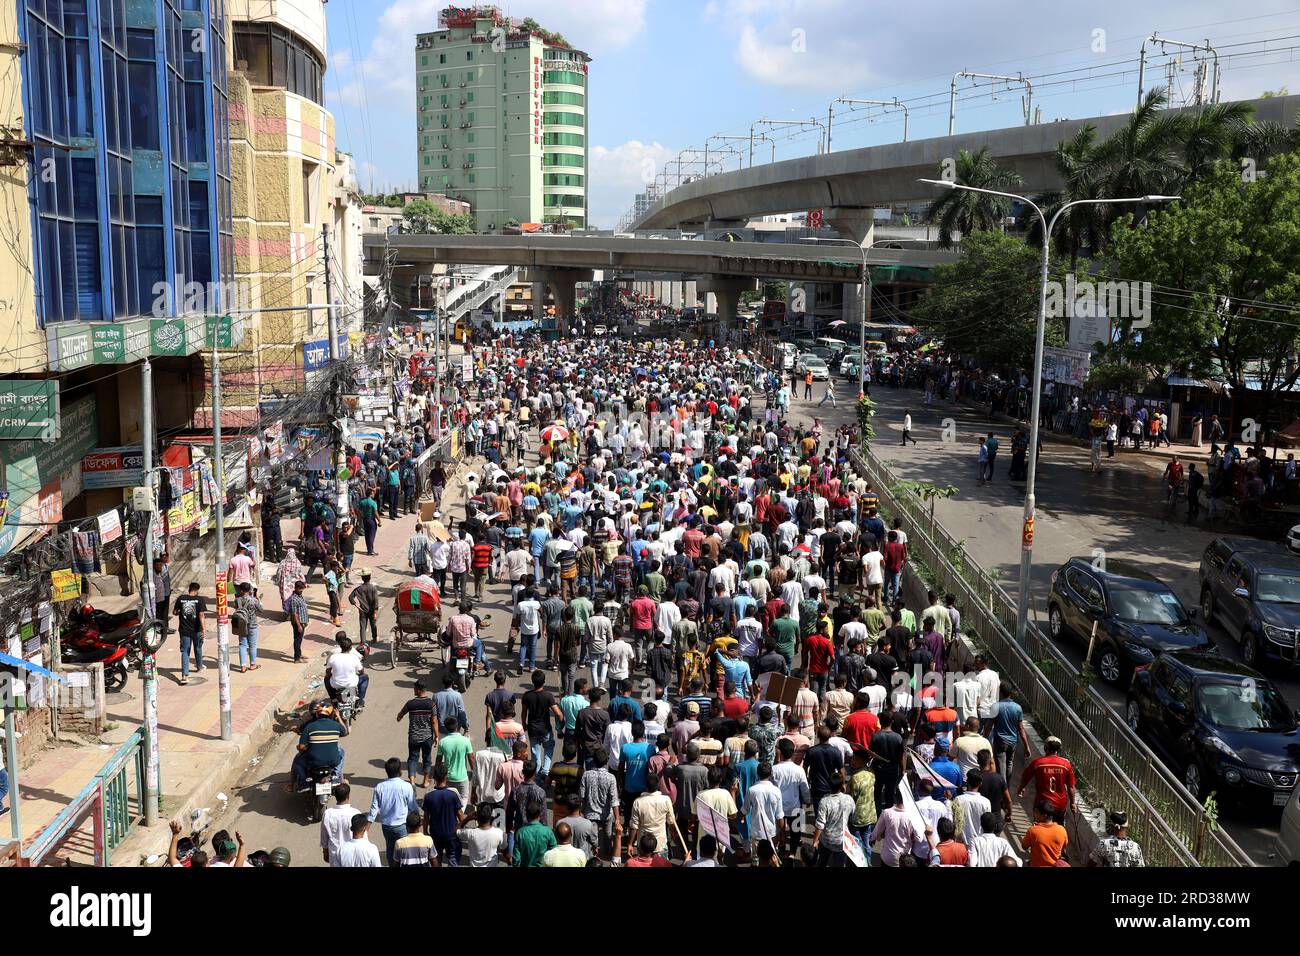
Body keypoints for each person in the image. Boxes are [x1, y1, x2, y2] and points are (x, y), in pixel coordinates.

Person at [368, 756, 420, 867]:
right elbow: (413, 807)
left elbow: (373, 809)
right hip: (402, 826)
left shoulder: (379, 787)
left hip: (386, 826)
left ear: (387, 771)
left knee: (390, 850)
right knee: (405, 852)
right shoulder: (406, 786)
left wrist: (366, 828)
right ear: (400, 771)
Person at [1017, 735, 1077, 816]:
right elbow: (1071, 787)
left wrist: (1021, 788)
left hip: (1042, 805)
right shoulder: (1066, 764)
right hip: (1059, 805)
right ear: (1059, 750)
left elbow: (1026, 777)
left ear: (1045, 748)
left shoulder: (1038, 763)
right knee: (1058, 827)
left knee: (1040, 827)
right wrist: (1072, 803)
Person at [396, 680, 438, 786]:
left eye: (414, 688)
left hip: (413, 737)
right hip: (427, 736)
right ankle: (425, 781)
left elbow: (400, 715)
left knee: (413, 758)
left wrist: (399, 717)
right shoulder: (431, 704)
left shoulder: (410, 703)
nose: (413, 690)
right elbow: (434, 721)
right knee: (427, 758)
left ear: (419, 690)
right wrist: (437, 736)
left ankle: (412, 782)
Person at [172, 581, 208, 684]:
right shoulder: (200, 600)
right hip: (197, 629)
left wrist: (180, 612)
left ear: (189, 589)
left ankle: (184, 676)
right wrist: (203, 628)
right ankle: (200, 666)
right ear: (197, 590)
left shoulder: (181, 598)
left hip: (184, 630)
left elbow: (174, 612)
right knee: (198, 647)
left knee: (185, 651)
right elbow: (201, 615)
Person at [1022, 800, 1069, 867]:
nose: (1035, 815)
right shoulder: (1062, 830)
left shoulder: (1033, 831)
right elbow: (1064, 846)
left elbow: (1024, 846)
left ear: (1044, 815)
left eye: (1036, 813)